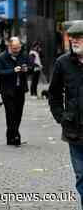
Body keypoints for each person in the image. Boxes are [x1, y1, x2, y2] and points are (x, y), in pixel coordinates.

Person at [48, 21, 83, 208]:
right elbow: (53, 94)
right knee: (81, 175)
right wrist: (61, 117)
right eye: (72, 37)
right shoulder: (63, 62)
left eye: (79, 37)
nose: (74, 41)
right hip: (75, 130)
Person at [0, 37, 32, 147]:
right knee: (10, 113)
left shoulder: (23, 55)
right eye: (14, 48)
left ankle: (10, 135)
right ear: (9, 47)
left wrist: (27, 69)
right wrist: (12, 71)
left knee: (18, 113)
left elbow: (31, 66)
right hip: (7, 90)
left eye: (18, 48)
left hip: (20, 89)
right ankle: (16, 136)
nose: (17, 50)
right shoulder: (2, 57)